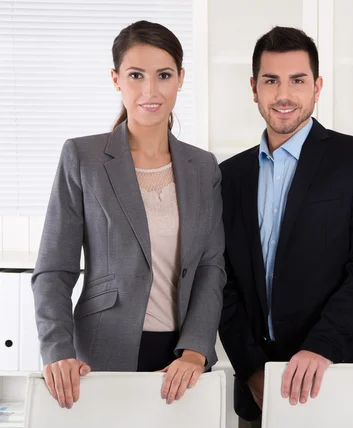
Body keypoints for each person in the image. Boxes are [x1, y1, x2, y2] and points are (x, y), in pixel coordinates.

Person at [32, 20, 226, 409]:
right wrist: (57, 351)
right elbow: (54, 269)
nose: (150, 90)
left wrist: (196, 350)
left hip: (181, 361)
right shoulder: (83, 158)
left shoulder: (204, 167)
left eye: (164, 75)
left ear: (181, 79)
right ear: (116, 79)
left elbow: (211, 266)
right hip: (102, 353)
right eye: (136, 75)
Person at [218, 26, 353, 426]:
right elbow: (222, 280)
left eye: (297, 81)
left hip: (338, 374)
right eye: (271, 80)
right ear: (254, 87)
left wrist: (321, 348)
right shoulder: (230, 176)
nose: (283, 94)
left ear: (317, 87)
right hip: (258, 391)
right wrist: (251, 368)